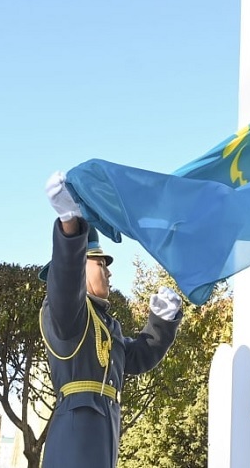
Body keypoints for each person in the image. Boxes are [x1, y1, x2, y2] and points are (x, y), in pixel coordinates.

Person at [39, 171, 184, 468]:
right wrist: (70, 225)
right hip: (75, 438)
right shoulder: (65, 313)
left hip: (103, 430)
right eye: (100, 263)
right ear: (79, 266)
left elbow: (138, 357)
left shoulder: (105, 325)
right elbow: (65, 281)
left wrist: (161, 320)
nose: (108, 271)